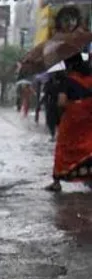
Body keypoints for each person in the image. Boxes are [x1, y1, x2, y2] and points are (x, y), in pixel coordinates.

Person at [46, 53, 92, 192]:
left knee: (63, 147)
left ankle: (57, 181)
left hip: (72, 118)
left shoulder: (68, 80)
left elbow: (62, 101)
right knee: (88, 144)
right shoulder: (90, 78)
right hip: (89, 116)